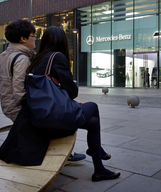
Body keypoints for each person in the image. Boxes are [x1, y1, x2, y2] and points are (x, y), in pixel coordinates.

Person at [0, 26, 120, 182]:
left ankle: (99, 166)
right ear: (62, 40)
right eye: (33, 35)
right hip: (52, 119)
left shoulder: (37, 59)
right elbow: (72, 92)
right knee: (93, 107)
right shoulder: (57, 58)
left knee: (93, 122)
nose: (35, 38)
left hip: (39, 115)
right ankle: (97, 157)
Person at [0, 19, 85, 164]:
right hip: (18, 108)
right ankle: (60, 156)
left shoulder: (5, 55)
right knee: (56, 119)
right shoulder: (22, 59)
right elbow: (21, 93)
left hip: (7, 105)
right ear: (23, 38)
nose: (35, 39)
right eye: (33, 35)